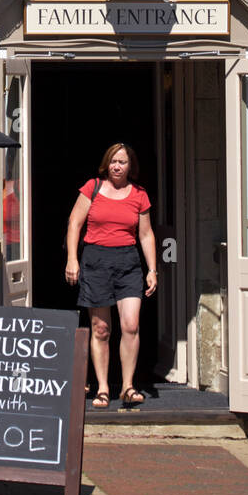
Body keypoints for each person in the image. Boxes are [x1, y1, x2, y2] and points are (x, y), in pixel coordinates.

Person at [64, 144, 157, 409]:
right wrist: (72, 259)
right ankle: (103, 388)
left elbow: (146, 234)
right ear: (107, 163)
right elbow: (74, 224)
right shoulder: (91, 187)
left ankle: (128, 386)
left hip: (128, 262)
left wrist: (152, 269)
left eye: (123, 162)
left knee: (131, 325)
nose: (118, 166)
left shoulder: (139, 194)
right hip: (96, 261)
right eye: (114, 161)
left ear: (131, 166)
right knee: (101, 329)